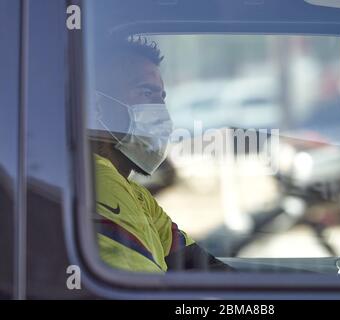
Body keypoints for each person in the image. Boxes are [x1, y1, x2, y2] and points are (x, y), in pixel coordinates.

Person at [87, 37, 233, 273]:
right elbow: (145, 292)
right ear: (96, 106)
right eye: (147, 93)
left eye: (162, 98)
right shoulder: (99, 185)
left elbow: (199, 267)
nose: (162, 112)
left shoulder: (135, 194)